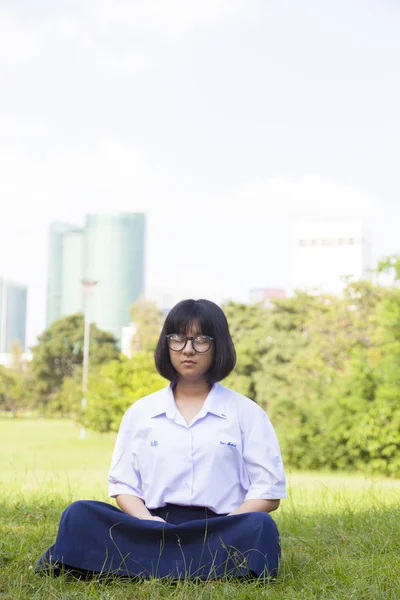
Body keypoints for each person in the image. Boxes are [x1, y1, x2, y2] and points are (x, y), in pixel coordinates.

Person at [37, 299, 287, 580]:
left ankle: (136, 566)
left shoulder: (247, 413)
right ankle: (194, 567)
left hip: (221, 531)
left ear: (219, 345)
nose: (188, 349)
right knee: (80, 513)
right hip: (149, 529)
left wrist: (224, 527)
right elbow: (123, 485)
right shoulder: (141, 412)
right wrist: (148, 522)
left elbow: (268, 491)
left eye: (201, 340)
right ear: (166, 344)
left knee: (260, 525)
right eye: (178, 339)